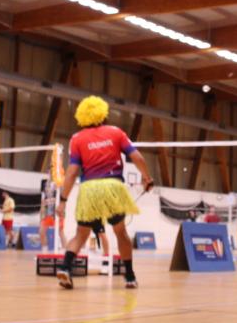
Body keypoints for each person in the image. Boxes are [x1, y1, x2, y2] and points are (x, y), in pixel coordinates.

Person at [56, 96, 153, 289]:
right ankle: (129, 276)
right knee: (120, 232)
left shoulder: (77, 139)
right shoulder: (116, 132)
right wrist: (147, 178)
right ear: (103, 113)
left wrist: (63, 200)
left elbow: (72, 173)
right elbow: (138, 158)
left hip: (89, 190)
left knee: (81, 234)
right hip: (112, 187)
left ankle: (65, 267)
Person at [39, 185, 57, 252]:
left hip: (55, 216)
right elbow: (42, 209)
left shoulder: (57, 195)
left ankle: (64, 251)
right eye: (46, 187)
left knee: (60, 233)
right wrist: (41, 218)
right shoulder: (44, 197)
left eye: (48, 187)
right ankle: (44, 250)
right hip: (46, 216)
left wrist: (48, 201)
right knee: (41, 232)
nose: (47, 189)